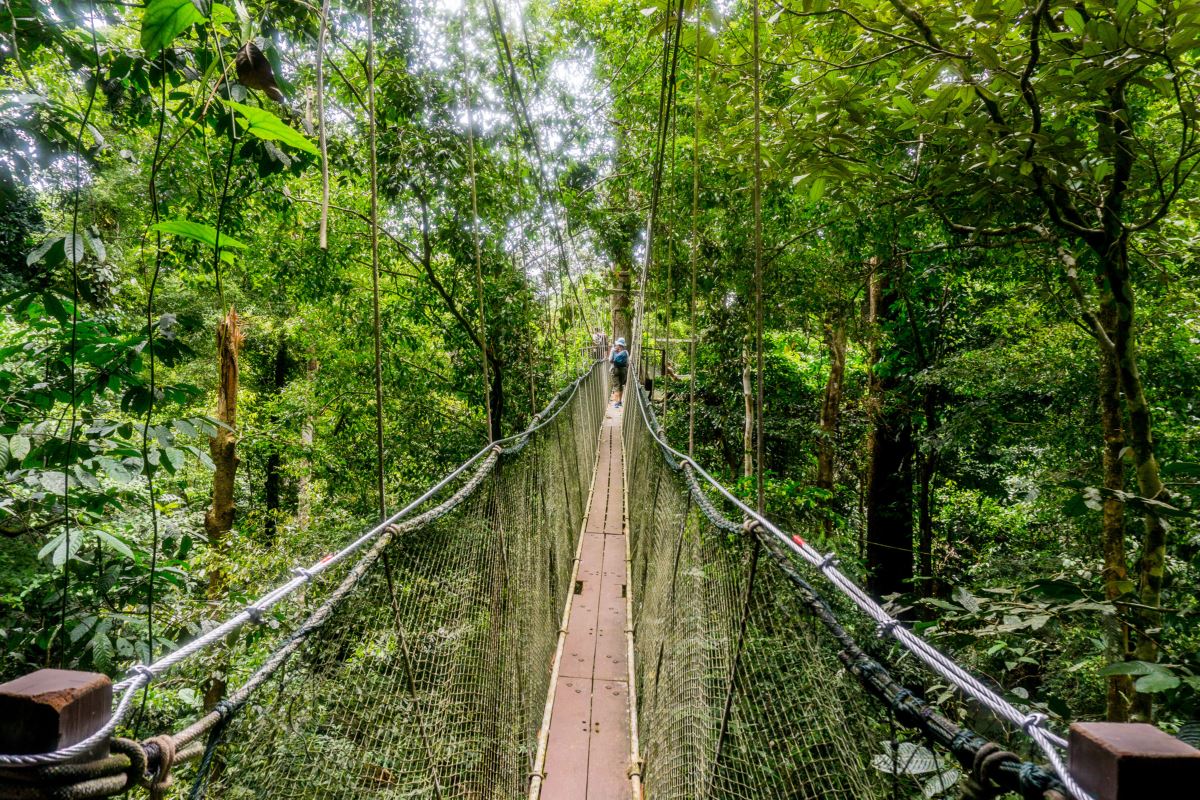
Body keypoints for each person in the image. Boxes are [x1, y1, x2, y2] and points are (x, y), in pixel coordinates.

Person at [609, 337, 629, 408]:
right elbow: (628, 362)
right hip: (623, 370)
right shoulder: (626, 352)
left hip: (615, 369)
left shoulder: (613, 350)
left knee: (616, 386)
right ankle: (620, 401)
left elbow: (610, 360)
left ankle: (616, 403)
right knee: (621, 385)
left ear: (618, 344)